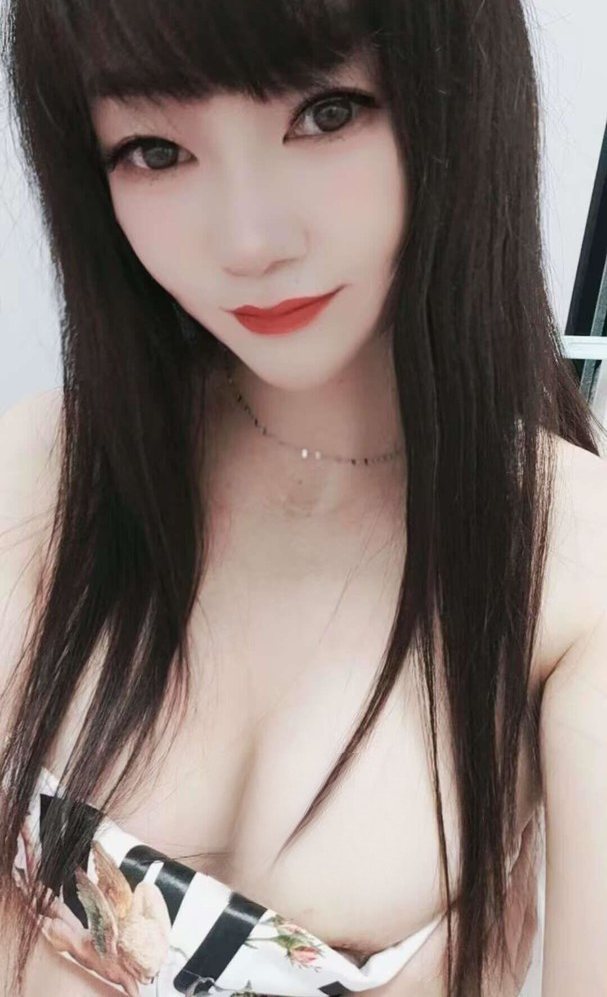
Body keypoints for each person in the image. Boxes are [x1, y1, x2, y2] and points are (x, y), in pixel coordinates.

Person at [1, 1, 606, 995]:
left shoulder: (573, 569)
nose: (249, 241)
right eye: (156, 150)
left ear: (458, 101)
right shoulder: (42, 473)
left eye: (326, 113)